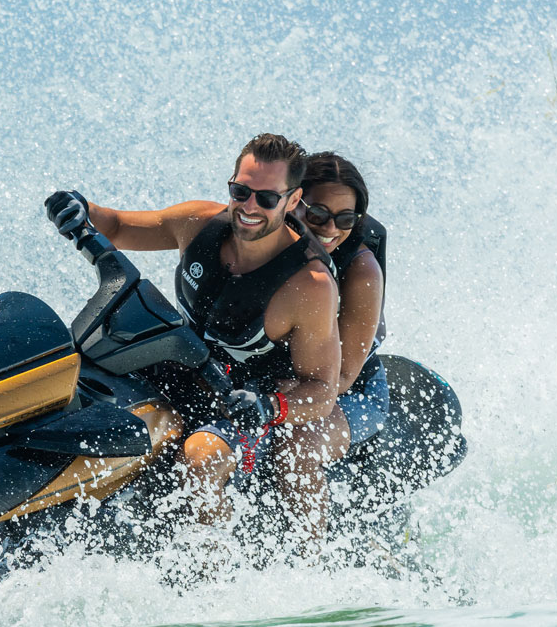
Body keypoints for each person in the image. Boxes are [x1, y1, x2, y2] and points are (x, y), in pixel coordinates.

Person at [44, 132, 343, 547]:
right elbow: (115, 225)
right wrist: (78, 206)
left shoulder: (309, 286)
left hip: (243, 403)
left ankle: (208, 578)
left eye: (267, 199)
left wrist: (267, 407)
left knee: (202, 455)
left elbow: (322, 391)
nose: (249, 207)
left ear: (293, 201)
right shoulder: (199, 222)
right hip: (175, 366)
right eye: (241, 191)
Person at [296, 151, 390, 456]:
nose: (331, 229)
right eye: (318, 214)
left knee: (298, 446)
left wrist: (274, 400)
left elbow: (344, 377)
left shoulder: (362, 272)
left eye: (346, 219)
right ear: (292, 201)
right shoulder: (265, 246)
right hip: (291, 385)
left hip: (354, 393)